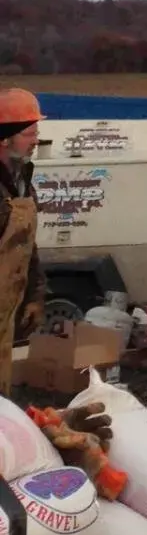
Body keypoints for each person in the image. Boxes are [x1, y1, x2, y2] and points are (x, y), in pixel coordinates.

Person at [0, 88, 45, 396]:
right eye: (29, 133)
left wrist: (35, 295)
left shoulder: (21, 179)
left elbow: (29, 247)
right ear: (5, 138)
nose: (36, 140)